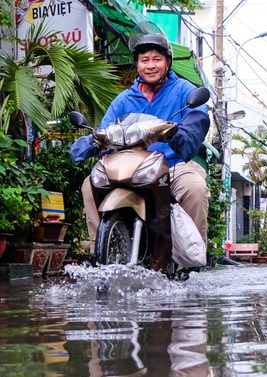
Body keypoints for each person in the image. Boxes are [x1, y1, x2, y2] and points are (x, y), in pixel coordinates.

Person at [70, 28, 212, 245]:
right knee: (90, 184)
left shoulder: (185, 91)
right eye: (144, 59)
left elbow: (194, 128)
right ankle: (98, 252)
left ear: (167, 63)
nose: (150, 65)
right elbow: (104, 131)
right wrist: (92, 142)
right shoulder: (123, 99)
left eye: (157, 59)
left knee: (195, 188)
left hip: (173, 165)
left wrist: (177, 133)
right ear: (137, 64)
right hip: (130, 167)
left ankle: (192, 252)